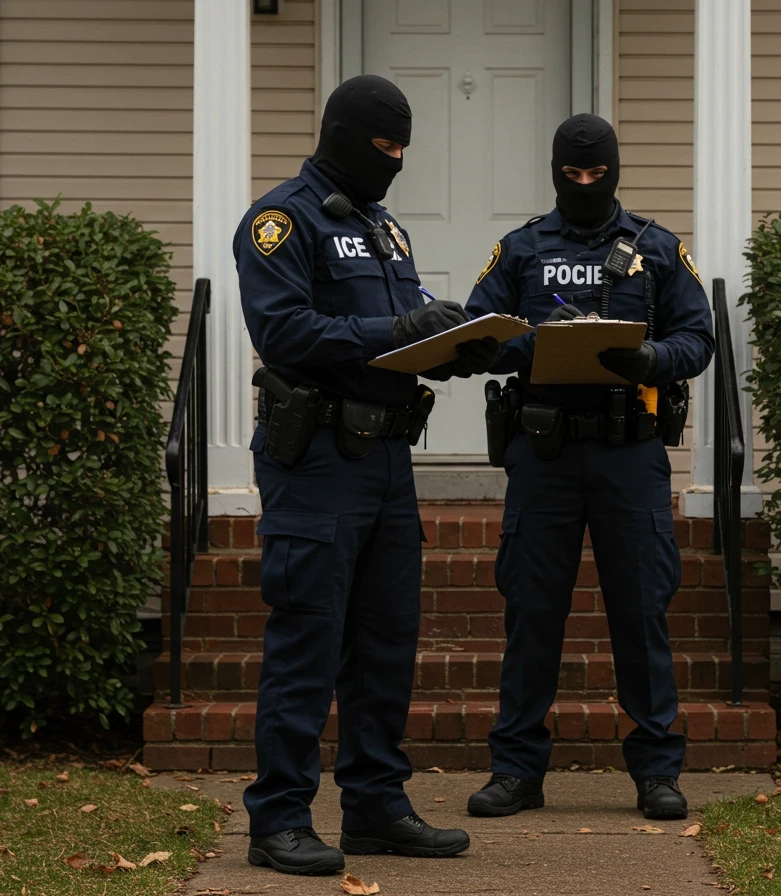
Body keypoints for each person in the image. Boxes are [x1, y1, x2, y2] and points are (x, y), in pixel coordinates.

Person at [233, 75, 495, 876]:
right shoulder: (283, 221)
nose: (395, 163)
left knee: (386, 644)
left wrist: (460, 346)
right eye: (384, 148)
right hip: (316, 459)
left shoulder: (386, 231)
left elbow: (401, 328)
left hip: (385, 461)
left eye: (404, 151)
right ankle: (278, 818)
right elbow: (284, 331)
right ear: (345, 135)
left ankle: (376, 806)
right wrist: (398, 326)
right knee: (309, 639)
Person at [463, 113, 714, 821]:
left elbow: (698, 336)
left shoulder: (657, 249)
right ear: (553, 172)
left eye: (594, 174)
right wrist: (528, 345)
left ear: (613, 171)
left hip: (628, 453)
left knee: (641, 610)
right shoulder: (520, 250)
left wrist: (652, 359)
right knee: (532, 612)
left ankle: (657, 772)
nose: (582, 184)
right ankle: (516, 771)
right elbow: (480, 333)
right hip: (543, 454)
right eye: (570, 175)